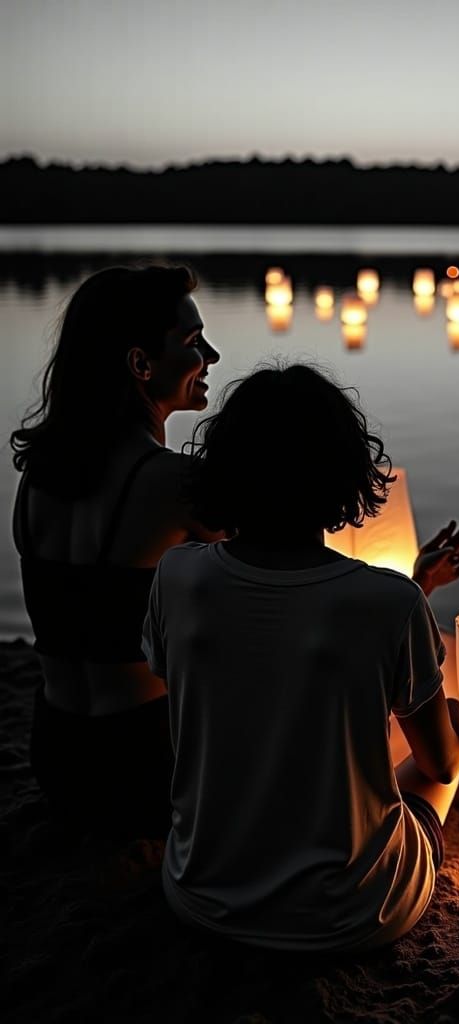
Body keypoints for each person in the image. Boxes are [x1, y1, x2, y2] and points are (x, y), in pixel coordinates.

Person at [142, 362, 459, 952]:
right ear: (341, 472)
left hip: (200, 896)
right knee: (427, 766)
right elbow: (441, 763)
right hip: (349, 916)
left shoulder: (176, 576)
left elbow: (264, 657)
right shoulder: (388, 604)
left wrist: (415, 587)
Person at [10, 264, 221, 838]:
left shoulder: (37, 477)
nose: (213, 356)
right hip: (145, 765)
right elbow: (292, 567)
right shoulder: (178, 484)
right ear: (140, 365)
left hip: (58, 760)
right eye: (193, 342)